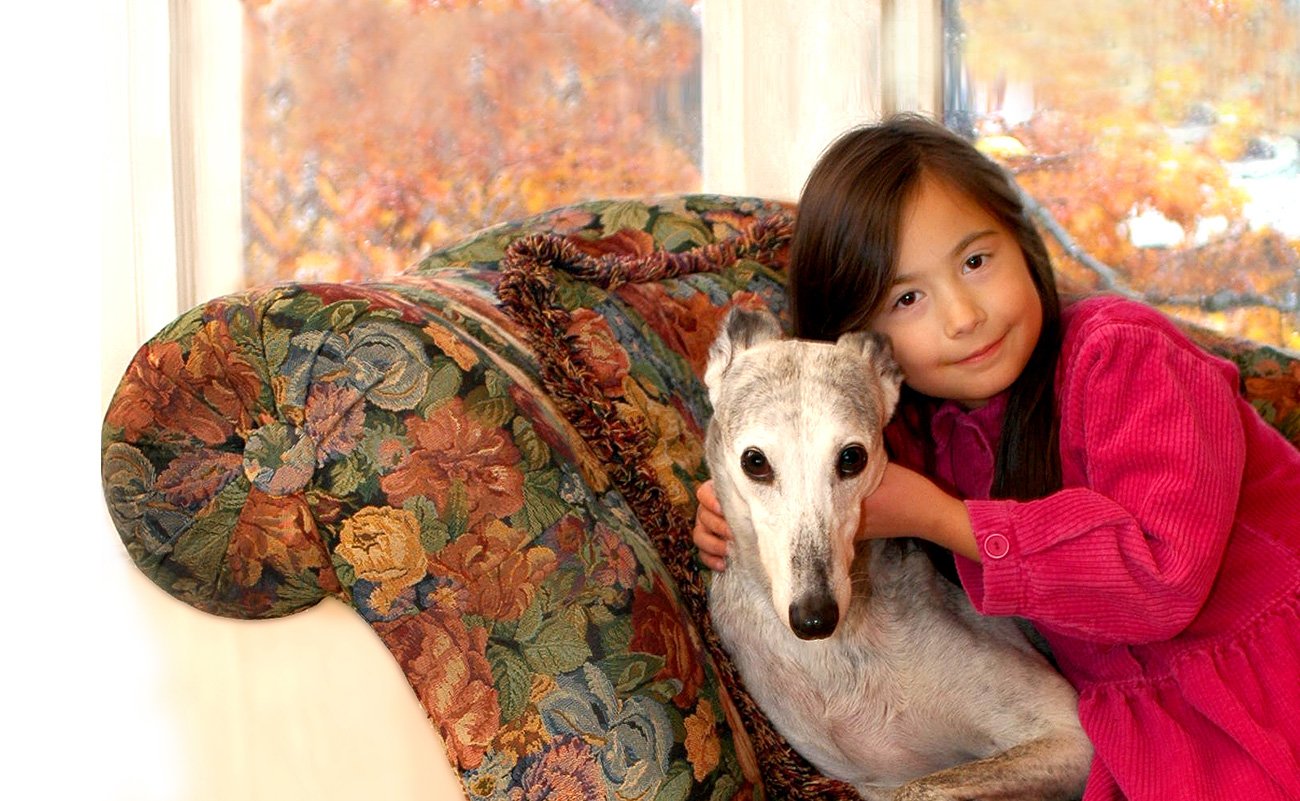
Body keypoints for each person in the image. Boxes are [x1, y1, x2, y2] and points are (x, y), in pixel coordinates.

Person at [693, 114, 1300, 800]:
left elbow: (1163, 578)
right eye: (909, 297)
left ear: (1022, 238)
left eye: (977, 261)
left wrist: (948, 519)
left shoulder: (1129, 358)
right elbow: (807, 443)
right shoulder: (926, 427)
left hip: (1277, 685)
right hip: (1150, 730)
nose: (962, 315)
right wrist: (745, 500)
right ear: (871, 354)